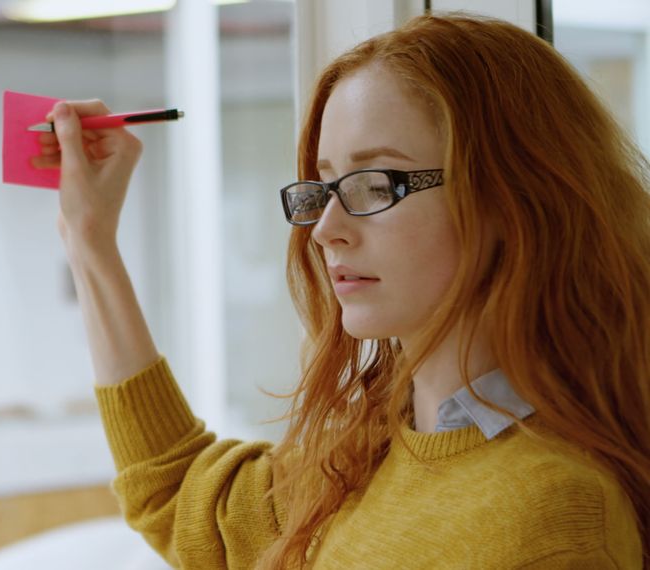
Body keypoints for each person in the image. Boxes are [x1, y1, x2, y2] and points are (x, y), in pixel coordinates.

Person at [35, 13, 648, 569]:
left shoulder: (554, 520)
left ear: (513, 198)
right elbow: (183, 500)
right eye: (324, 186)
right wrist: (90, 239)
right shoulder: (370, 449)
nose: (326, 230)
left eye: (375, 183)